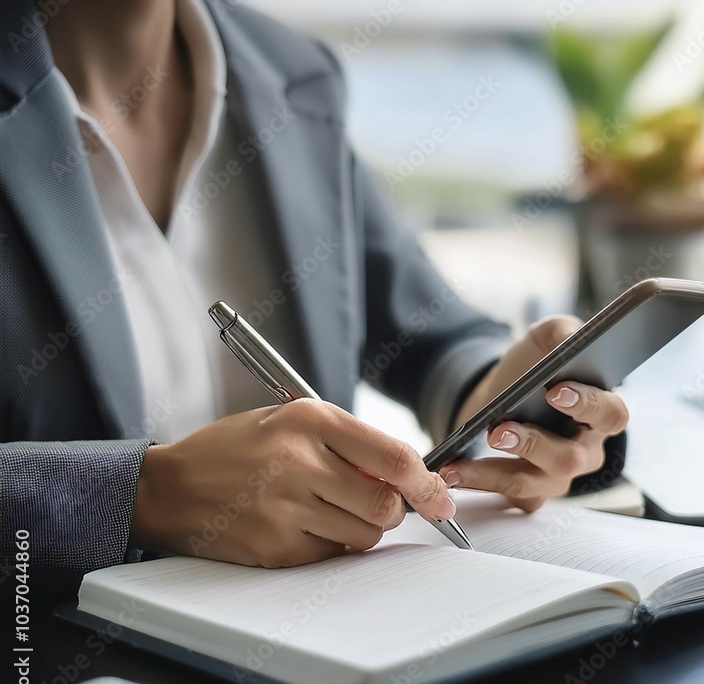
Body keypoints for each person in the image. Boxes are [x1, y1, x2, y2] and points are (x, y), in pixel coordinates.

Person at [0, 0, 628, 589]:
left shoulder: (290, 73)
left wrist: (500, 399)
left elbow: (428, 333)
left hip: (322, 645)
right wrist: (142, 494)